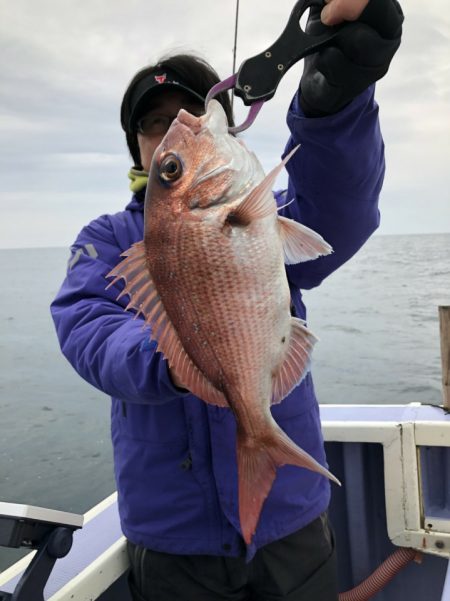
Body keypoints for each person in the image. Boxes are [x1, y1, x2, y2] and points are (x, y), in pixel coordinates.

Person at [51, 0, 403, 599]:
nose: (174, 128)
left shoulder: (268, 215)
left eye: (190, 110)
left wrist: (332, 107)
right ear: (137, 147)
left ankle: (263, 446)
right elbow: (87, 329)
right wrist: (181, 359)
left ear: (225, 120)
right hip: (172, 536)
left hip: (289, 521)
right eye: (153, 123)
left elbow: (340, 210)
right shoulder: (105, 240)